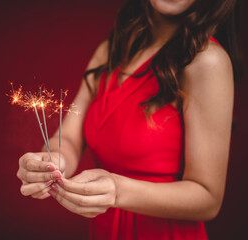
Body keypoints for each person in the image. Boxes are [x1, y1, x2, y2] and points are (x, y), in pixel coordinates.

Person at [16, 0, 241, 239]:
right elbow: (70, 135)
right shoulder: (110, 51)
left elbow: (208, 199)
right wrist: (53, 163)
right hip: (105, 228)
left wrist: (117, 190)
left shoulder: (206, 62)